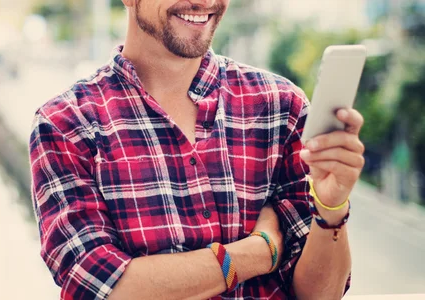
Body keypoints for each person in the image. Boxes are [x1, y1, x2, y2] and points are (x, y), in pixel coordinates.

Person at [29, 0, 365, 299]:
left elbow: (321, 294)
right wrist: (258, 253)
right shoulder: (65, 123)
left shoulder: (281, 107)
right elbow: (101, 287)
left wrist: (331, 205)